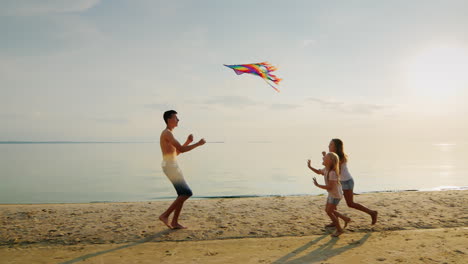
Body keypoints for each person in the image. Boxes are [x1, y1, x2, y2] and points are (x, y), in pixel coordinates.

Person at [159, 110, 206, 229]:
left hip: (171, 165)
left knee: (181, 194)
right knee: (187, 193)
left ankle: (174, 222)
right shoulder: (167, 133)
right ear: (169, 119)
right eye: (176, 118)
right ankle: (165, 215)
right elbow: (182, 150)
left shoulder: (168, 134)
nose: (178, 120)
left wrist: (188, 142)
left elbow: (177, 152)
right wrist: (197, 144)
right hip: (170, 167)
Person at [324, 138, 378, 226]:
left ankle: (372, 213)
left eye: (331, 145)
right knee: (334, 201)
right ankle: (335, 221)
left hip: (347, 182)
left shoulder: (340, 158)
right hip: (340, 182)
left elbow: (335, 170)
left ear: (336, 147)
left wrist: (326, 161)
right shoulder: (333, 157)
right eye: (329, 144)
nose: (329, 146)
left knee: (350, 203)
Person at [308, 152, 351, 237]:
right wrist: (310, 167)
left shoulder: (332, 173)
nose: (323, 159)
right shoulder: (326, 169)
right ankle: (345, 218)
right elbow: (318, 172)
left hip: (335, 195)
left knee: (329, 211)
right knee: (329, 210)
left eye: (325, 158)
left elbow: (330, 187)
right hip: (332, 194)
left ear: (330, 161)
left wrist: (318, 185)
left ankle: (339, 230)